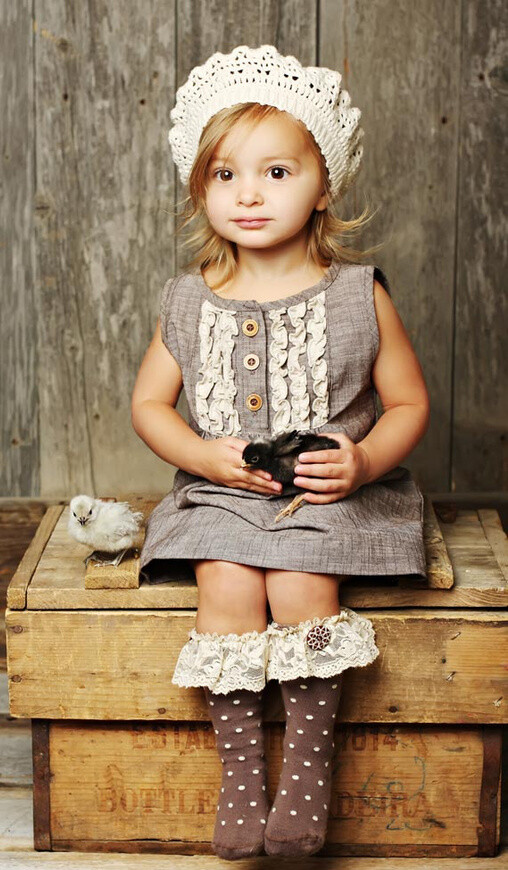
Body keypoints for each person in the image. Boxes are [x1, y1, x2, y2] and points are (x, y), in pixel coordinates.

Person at [131, 44, 430, 860]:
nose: (249, 194)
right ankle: (241, 776)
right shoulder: (191, 298)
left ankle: (305, 768)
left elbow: (407, 404)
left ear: (323, 183)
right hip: (224, 492)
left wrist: (363, 462)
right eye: (225, 175)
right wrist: (200, 455)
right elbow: (149, 405)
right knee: (226, 584)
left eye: (276, 172)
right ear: (200, 188)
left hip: (327, 495)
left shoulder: (356, 293)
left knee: (299, 581)